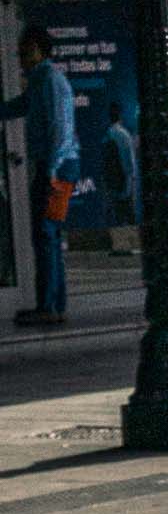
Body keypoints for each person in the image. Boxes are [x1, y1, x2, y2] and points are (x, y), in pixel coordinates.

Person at [1, 24, 79, 327]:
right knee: (50, 235)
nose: (21, 54)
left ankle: (49, 305)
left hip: (57, 167)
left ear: (40, 50)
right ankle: (54, 304)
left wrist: (50, 171)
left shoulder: (49, 80)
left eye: (27, 49)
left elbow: (59, 130)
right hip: (60, 166)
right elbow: (20, 106)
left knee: (45, 234)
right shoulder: (40, 81)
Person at [100, 99, 138, 239]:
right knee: (129, 214)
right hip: (124, 181)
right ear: (120, 115)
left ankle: (119, 243)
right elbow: (129, 164)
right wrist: (130, 183)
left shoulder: (107, 135)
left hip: (112, 182)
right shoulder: (124, 135)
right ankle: (130, 243)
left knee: (116, 215)